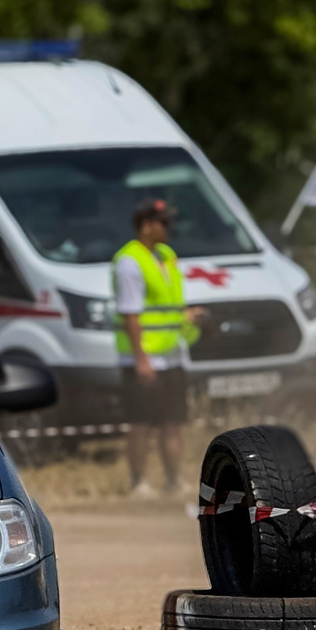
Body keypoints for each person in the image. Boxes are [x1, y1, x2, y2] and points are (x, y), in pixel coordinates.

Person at [111, 198, 205, 496]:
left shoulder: (167, 255)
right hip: (145, 358)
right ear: (146, 225)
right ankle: (138, 483)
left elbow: (168, 305)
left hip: (172, 354)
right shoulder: (129, 261)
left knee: (172, 422)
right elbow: (130, 315)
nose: (169, 228)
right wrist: (141, 360)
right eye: (164, 222)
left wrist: (188, 315)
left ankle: (174, 481)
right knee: (140, 423)